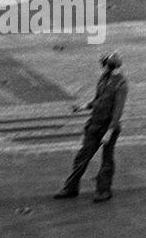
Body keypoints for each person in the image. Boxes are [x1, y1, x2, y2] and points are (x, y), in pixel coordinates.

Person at [53, 50, 128, 202]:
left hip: (108, 127)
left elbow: (117, 111)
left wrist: (109, 131)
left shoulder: (121, 84)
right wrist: (83, 107)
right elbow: (98, 100)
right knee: (82, 156)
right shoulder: (103, 79)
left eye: (105, 64)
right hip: (94, 124)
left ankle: (103, 190)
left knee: (107, 160)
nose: (103, 67)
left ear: (111, 66)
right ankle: (71, 188)